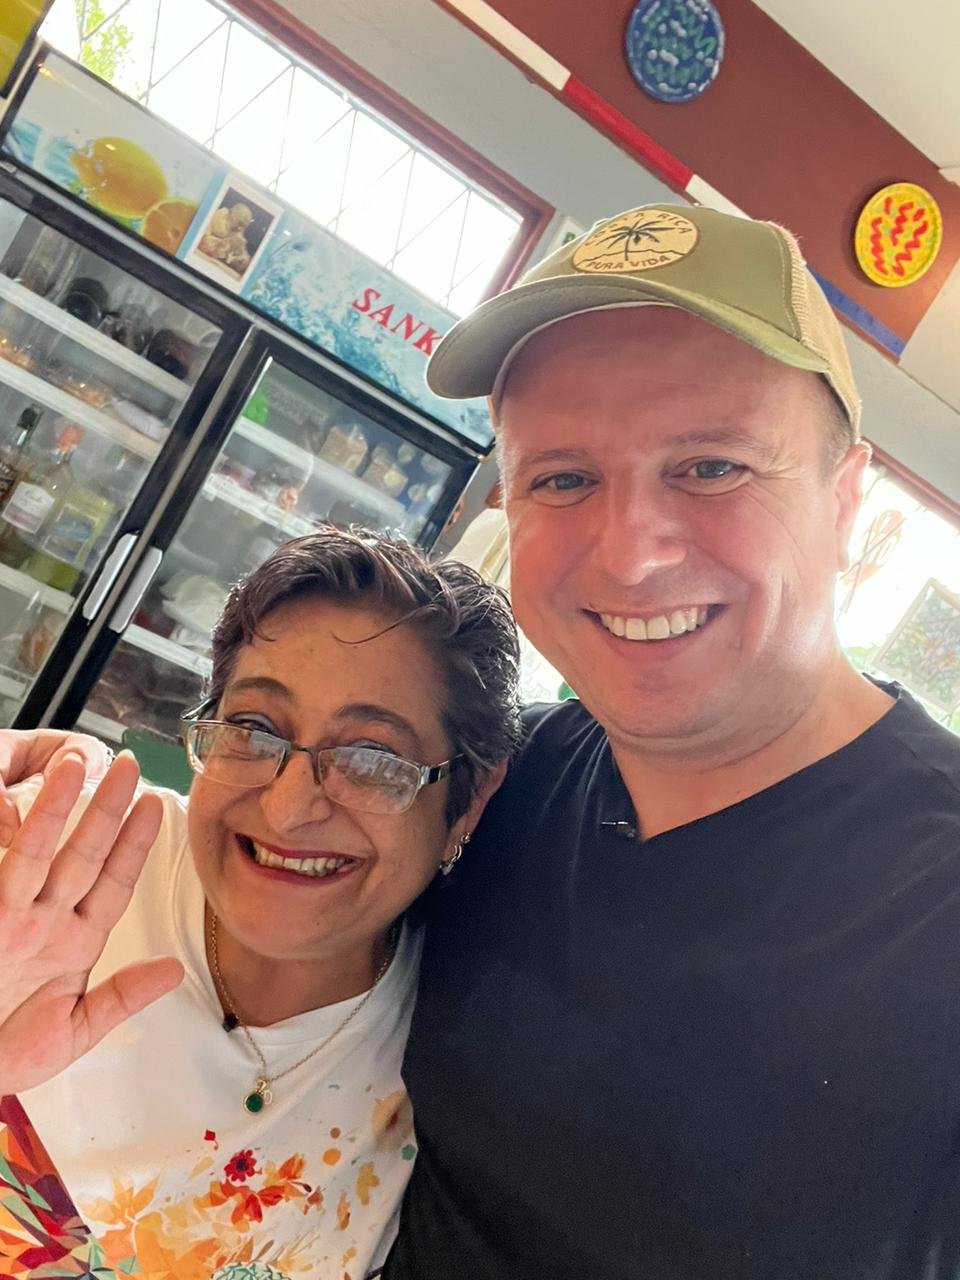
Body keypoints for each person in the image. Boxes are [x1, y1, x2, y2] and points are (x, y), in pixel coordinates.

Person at [377, 205, 960, 1278]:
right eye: (562, 477)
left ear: (847, 506)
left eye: (710, 466)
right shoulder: (503, 777)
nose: (632, 554)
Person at [0, 528, 518, 1279]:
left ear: (467, 803)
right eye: (253, 729)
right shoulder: (54, 866)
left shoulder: (456, 1066)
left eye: (373, 758)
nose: (287, 809)